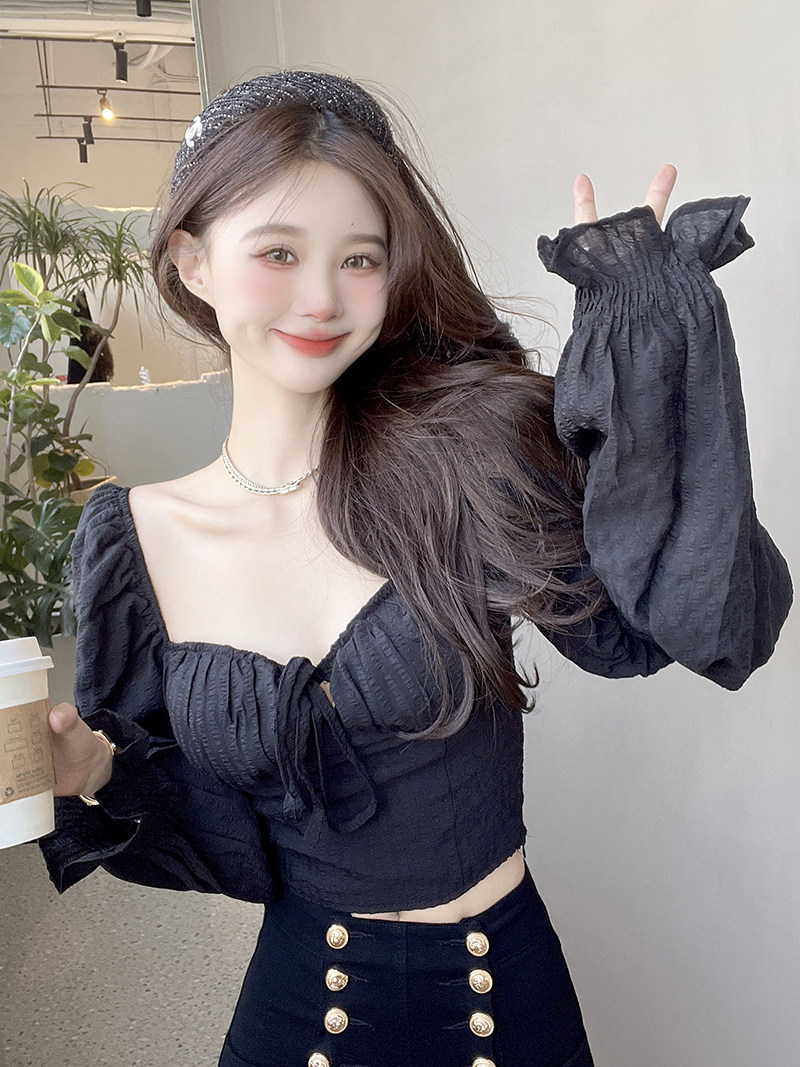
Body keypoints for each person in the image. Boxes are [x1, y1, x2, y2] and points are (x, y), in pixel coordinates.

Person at [37, 71, 792, 1067]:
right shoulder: (134, 541)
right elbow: (226, 840)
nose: (320, 297)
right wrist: (95, 770)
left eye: (358, 257)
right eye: (277, 251)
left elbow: (672, 623)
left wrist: (646, 345)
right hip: (297, 1014)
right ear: (193, 261)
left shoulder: (468, 453)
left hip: (503, 1007)